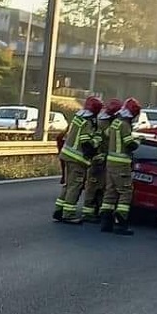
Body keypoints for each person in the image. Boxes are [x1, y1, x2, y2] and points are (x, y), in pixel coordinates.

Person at [54, 95, 103, 223]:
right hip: (78, 159)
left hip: (67, 156)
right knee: (75, 186)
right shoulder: (88, 122)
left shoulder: (77, 117)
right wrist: (96, 142)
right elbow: (85, 142)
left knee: (68, 185)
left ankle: (59, 210)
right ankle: (68, 214)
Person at [98, 97, 141, 236]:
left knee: (110, 192)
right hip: (121, 163)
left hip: (110, 162)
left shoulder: (115, 122)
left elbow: (107, 134)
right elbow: (129, 144)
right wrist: (138, 141)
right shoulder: (125, 125)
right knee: (125, 192)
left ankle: (106, 223)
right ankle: (121, 223)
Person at [83, 97, 120, 220]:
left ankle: (95, 210)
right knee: (94, 186)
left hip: (102, 160)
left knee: (100, 186)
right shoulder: (105, 125)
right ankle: (89, 211)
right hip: (99, 160)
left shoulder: (101, 121)